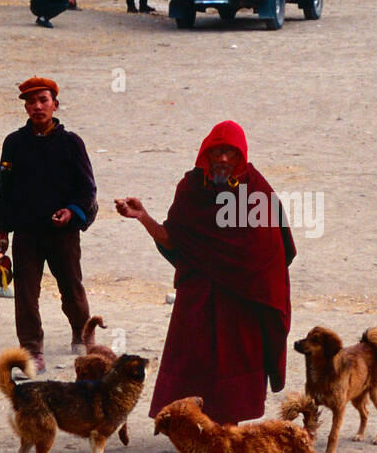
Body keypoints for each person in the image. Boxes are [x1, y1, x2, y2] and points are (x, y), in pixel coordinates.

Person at [114, 121, 295, 425]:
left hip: (240, 297)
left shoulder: (255, 191)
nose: (223, 159)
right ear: (205, 154)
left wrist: (257, 287)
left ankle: (227, 427)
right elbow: (173, 238)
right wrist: (143, 217)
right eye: (217, 152)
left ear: (241, 157)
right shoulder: (190, 189)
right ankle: (188, 427)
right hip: (198, 295)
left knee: (234, 361)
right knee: (191, 358)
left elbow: (270, 251)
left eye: (230, 153)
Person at [0, 77, 97, 374]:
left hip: (63, 233)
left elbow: (87, 189)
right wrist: (1, 231)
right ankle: (32, 350)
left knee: (72, 289)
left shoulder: (71, 143)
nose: (37, 107)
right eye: (31, 102)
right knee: (25, 294)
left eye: (43, 101)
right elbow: (5, 188)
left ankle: (82, 333)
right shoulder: (14, 143)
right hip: (27, 233)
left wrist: (71, 212)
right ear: (25, 106)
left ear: (55, 105)